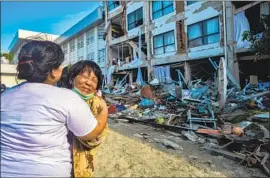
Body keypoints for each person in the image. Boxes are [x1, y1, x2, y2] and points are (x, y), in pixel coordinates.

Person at [0, 41, 108, 177]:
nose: (88, 82)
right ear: (53, 72)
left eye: (94, 80)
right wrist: (104, 110)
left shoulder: (4, 97)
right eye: (59, 65)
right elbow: (91, 134)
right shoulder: (66, 97)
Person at [61, 60, 108, 177]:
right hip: (56, 163)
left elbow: (96, 138)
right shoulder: (59, 98)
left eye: (94, 80)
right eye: (84, 77)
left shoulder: (98, 105)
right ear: (72, 79)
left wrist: (104, 109)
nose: (88, 83)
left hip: (81, 164)